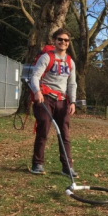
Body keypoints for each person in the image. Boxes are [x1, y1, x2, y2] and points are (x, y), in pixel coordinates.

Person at [29, 28, 77, 177]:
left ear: (68, 43)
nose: (63, 42)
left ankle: (67, 167)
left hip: (63, 101)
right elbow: (35, 76)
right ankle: (37, 164)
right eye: (60, 39)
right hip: (46, 98)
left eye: (66, 40)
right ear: (54, 41)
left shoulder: (70, 62)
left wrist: (73, 102)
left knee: (65, 134)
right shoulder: (46, 57)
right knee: (43, 131)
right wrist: (37, 92)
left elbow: (72, 84)